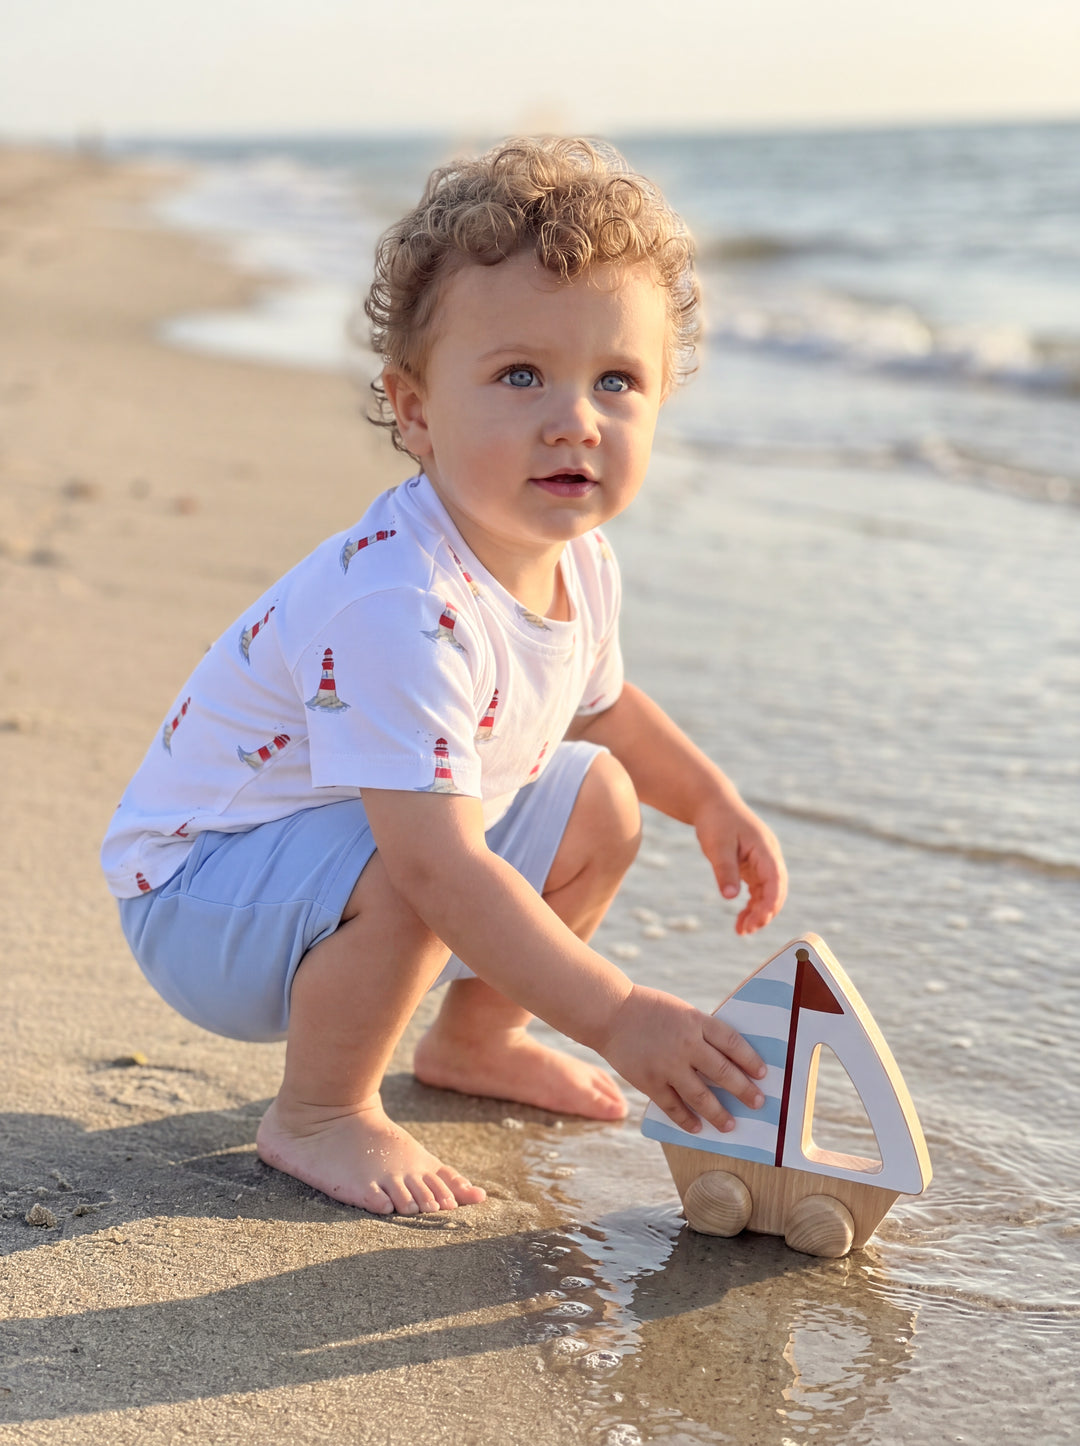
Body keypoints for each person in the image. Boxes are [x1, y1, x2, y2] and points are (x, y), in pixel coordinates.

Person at [102, 137, 787, 1218]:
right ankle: (320, 1112)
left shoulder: (579, 561)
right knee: (426, 857)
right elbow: (438, 870)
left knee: (598, 796)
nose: (574, 417)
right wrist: (616, 1016)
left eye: (617, 380)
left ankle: (478, 1037)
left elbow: (605, 710)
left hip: (341, 858)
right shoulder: (401, 603)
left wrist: (709, 801)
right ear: (414, 410)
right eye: (520, 375)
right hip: (200, 898)